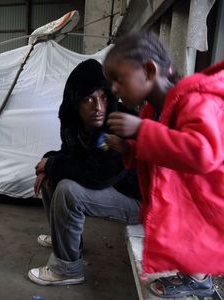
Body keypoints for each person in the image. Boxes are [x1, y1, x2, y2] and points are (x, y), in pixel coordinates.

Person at [103, 31, 224, 298]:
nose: (113, 89)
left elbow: (201, 152)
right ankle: (195, 277)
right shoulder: (152, 109)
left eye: (118, 79)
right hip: (192, 193)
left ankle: (199, 281)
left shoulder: (194, 99)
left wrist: (142, 131)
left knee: (201, 240)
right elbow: (165, 152)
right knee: (189, 239)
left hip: (212, 194)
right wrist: (130, 147)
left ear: (148, 70)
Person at [28, 59, 141, 286]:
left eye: (103, 97)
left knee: (69, 190)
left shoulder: (119, 123)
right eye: (89, 99)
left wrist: (52, 165)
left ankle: (67, 269)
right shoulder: (76, 125)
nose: (98, 107)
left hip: (139, 201)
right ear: (75, 102)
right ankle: (65, 241)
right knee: (53, 174)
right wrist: (50, 161)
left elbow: (99, 176)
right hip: (115, 189)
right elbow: (71, 155)